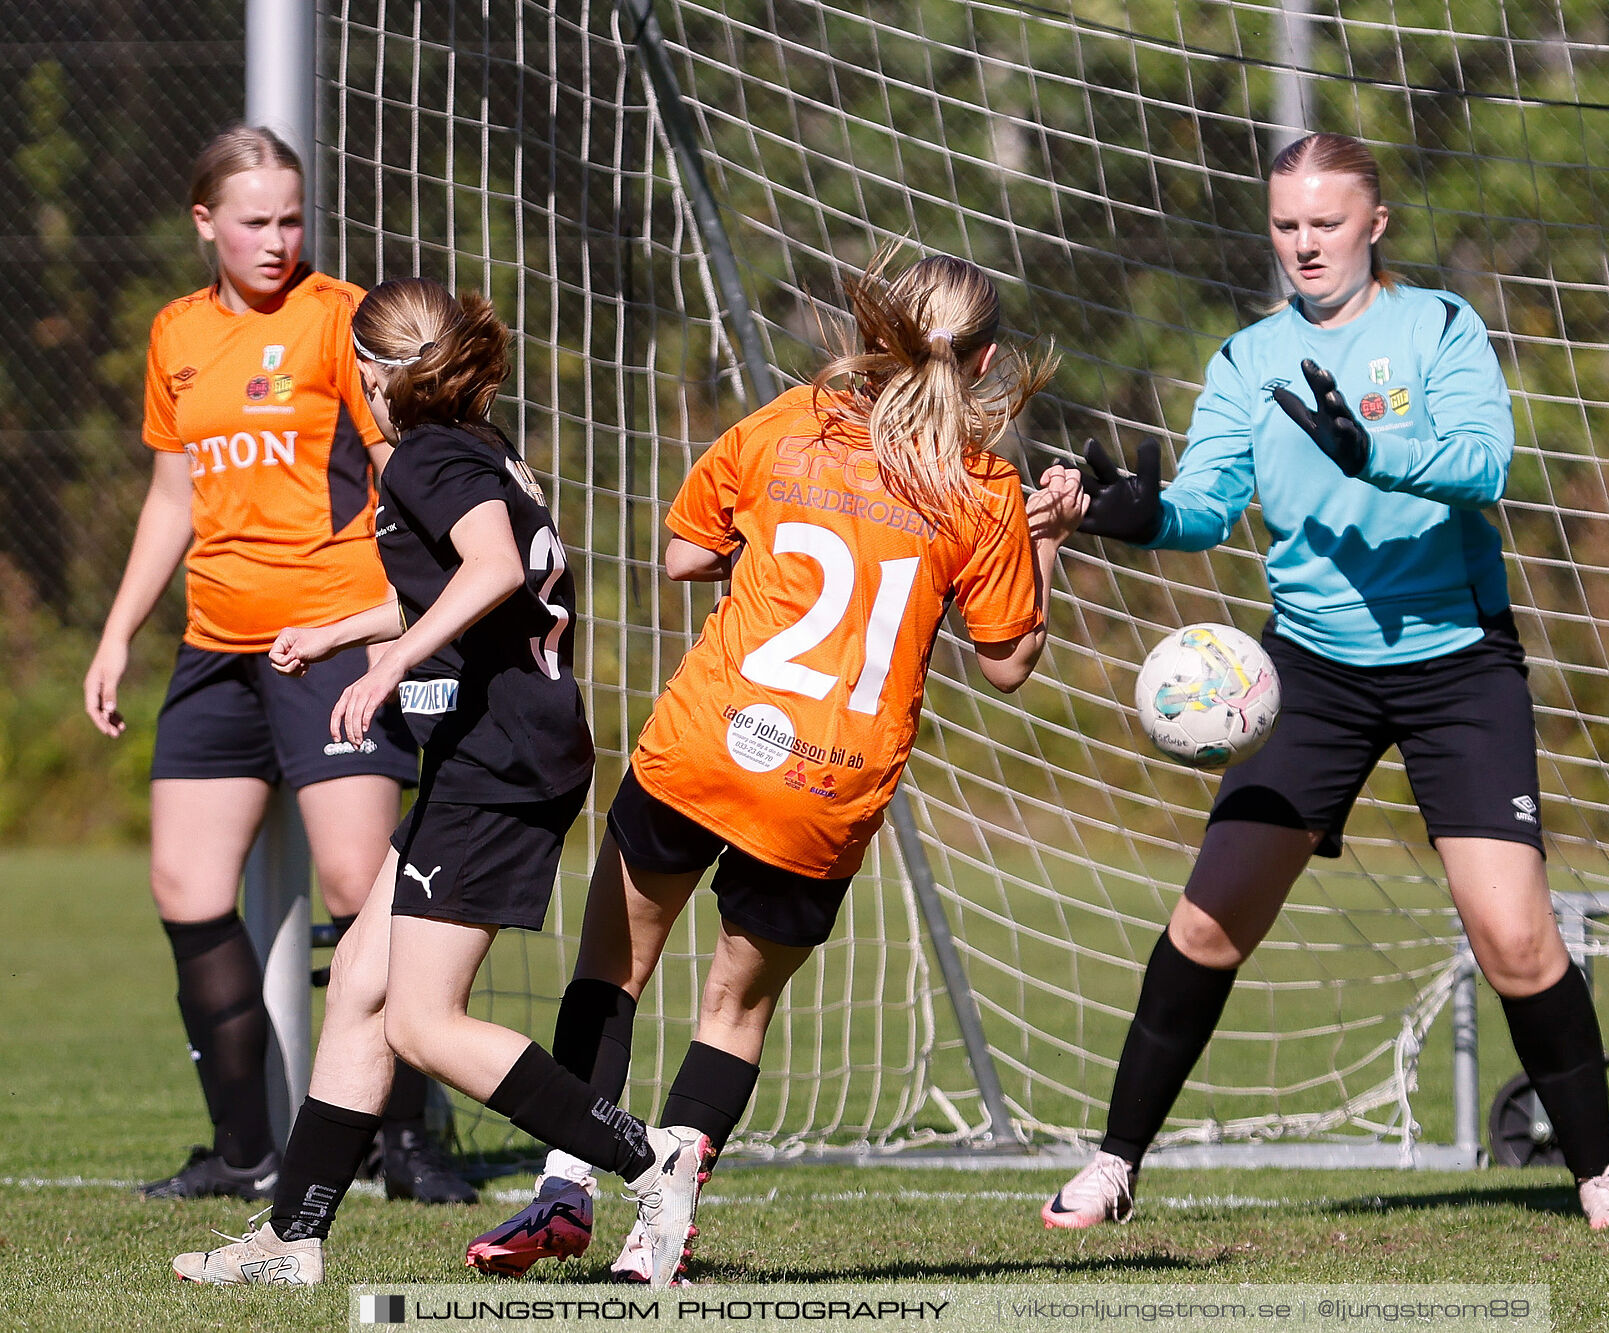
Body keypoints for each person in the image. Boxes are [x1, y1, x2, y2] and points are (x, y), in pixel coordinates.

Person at [1038, 132, 1609, 1233]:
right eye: (1286, 224)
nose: (1305, 243)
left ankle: (1601, 1172)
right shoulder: (1246, 359)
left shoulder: (1437, 329)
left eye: (1327, 222)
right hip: (1310, 672)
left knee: (1514, 937)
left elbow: (1486, 461)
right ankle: (1114, 1163)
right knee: (1209, 925)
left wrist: (1372, 449)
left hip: (1457, 665)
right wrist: (1134, 515)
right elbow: (1208, 505)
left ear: (1376, 225)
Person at [461, 248, 1086, 1283]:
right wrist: (1048, 536)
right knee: (733, 1011)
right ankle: (655, 1241)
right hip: (827, 785)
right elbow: (1010, 661)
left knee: (610, 973)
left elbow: (682, 555)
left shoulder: (788, 422)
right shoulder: (988, 490)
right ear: (981, 366)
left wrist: (783, 545)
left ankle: (564, 1189)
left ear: (875, 332)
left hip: (706, 745)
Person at [168, 278, 710, 1287]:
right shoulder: (477, 447)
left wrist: (384, 665)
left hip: (498, 763)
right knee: (362, 989)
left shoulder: (424, 456)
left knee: (420, 1018)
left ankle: (651, 1157)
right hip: (497, 752)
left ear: (373, 373)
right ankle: (291, 1240)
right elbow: (453, 577)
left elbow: (493, 567)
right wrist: (343, 630)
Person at [83, 125, 471, 1205]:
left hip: (329, 644)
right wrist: (119, 633)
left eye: (291, 217)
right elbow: (175, 496)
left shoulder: (338, 319)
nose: (277, 239)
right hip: (215, 647)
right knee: (187, 889)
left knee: (360, 885)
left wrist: (404, 616)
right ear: (204, 222)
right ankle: (243, 1149)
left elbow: (407, 470)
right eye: (254, 220)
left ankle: (406, 1137)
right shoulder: (176, 334)